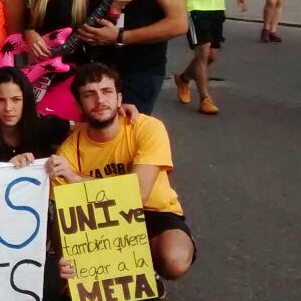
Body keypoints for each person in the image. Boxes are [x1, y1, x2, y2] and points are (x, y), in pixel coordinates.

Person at [45, 63, 195, 288]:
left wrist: (77, 179)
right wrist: (63, 256)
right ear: (78, 104)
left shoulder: (147, 127)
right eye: (89, 95)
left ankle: (142, 268)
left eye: (106, 92)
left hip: (153, 211)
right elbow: (64, 215)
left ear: (119, 98)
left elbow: (139, 194)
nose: (99, 100)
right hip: (100, 219)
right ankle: (93, 277)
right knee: (64, 224)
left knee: (174, 260)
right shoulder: (69, 150)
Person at [0, 67, 70, 165]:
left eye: (16, 100)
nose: (8, 108)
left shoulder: (43, 125)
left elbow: (84, 129)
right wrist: (8, 169)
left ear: (26, 101)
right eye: (0, 100)